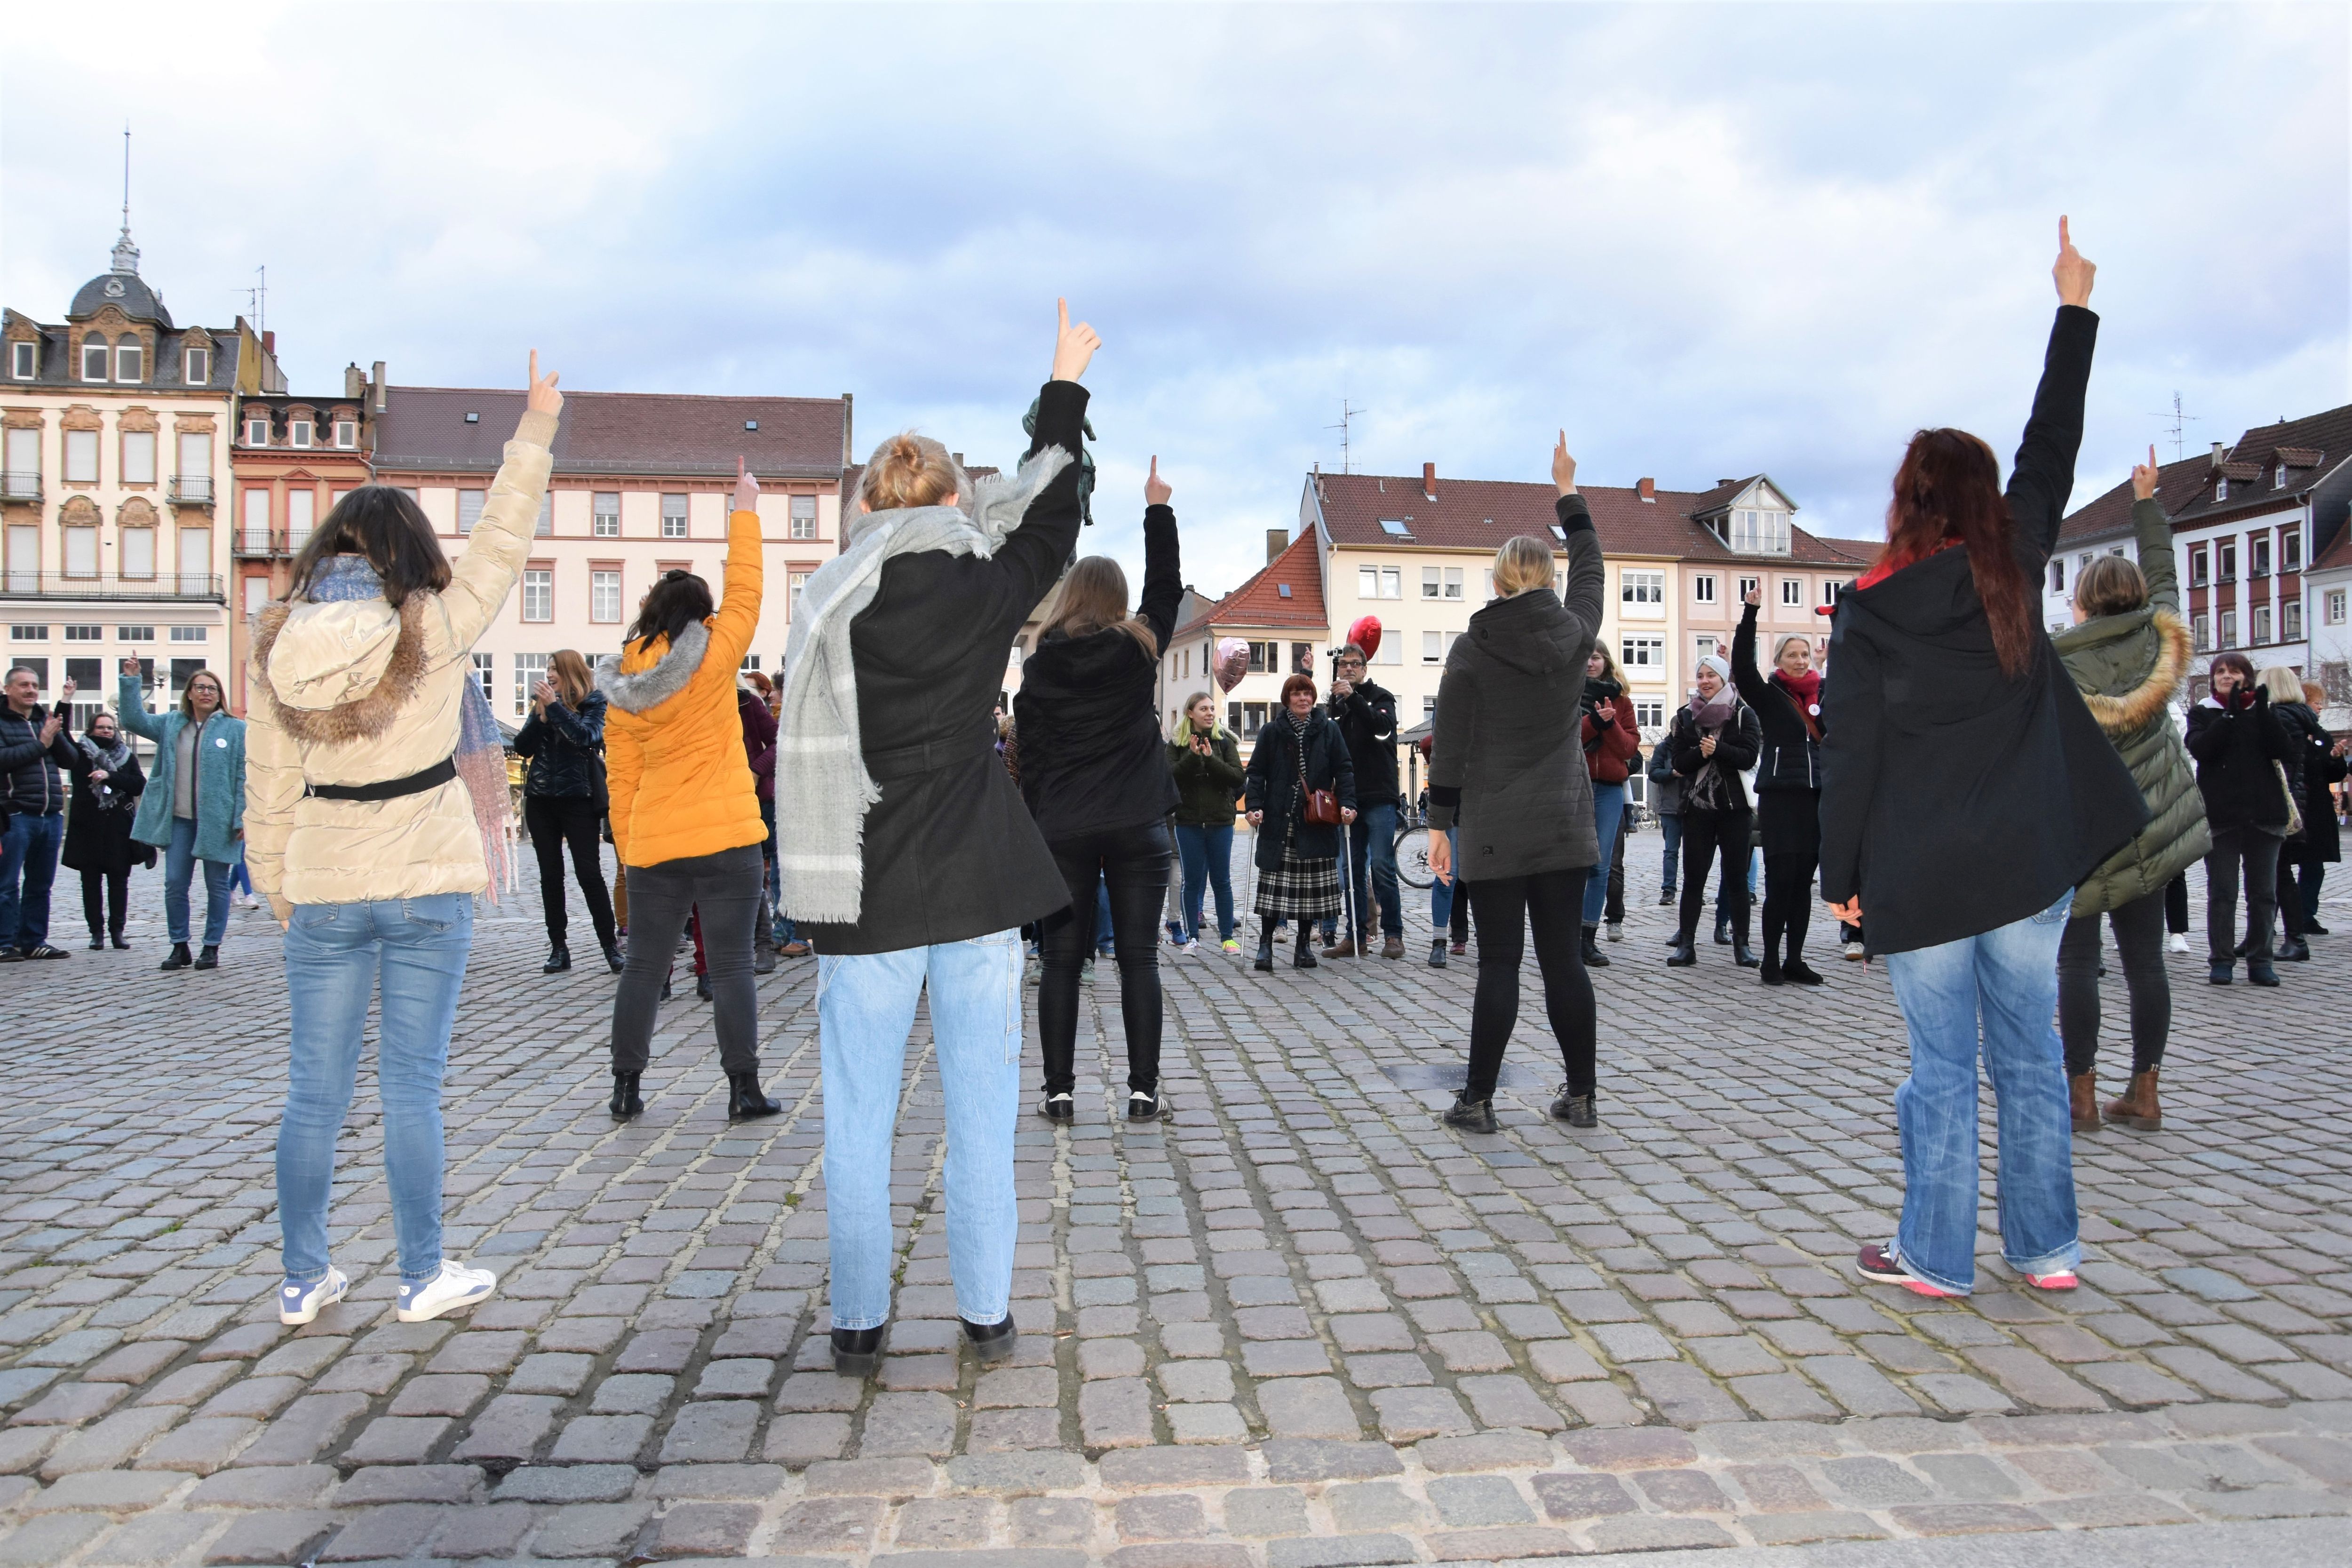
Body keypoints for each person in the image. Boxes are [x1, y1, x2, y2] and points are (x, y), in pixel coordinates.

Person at [776, 300, 1101, 1377]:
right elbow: (1055, 513)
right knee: (981, 1115)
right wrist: (1062, 383)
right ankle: (987, 1313)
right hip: (974, 884)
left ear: (867, 505)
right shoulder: (979, 585)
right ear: (952, 498)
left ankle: (859, 1326)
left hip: (859, 887)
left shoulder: (827, 602)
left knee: (859, 1121)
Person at [1821, 220, 2142, 1299]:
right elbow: (2051, 442)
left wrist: (1841, 884)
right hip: (2023, 865)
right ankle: (2046, 1251)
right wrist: (2073, 305)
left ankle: (1935, 1257)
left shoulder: (1866, 613)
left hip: (1919, 871)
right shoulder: (2018, 563)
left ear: (1906, 504)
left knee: (1942, 1074)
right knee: (2032, 1058)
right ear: (1983, 505)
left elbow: (1850, 758)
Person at [246, 351, 563, 1327]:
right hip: (425, 883)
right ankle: (421, 1273)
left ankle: (303, 1279)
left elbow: (269, 788)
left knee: (314, 1091)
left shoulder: (275, 644)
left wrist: (276, 886)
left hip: (327, 884)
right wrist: (536, 424)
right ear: (408, 551)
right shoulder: (434, 622)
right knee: (412, 1087)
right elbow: (503, 543)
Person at [1427, 435, 1605, 1131]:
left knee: (1499, 962)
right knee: (1565, 961)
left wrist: (1440, 826)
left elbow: (1451, 745)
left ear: (1498, 582)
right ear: (1550, 582)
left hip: (1497, 825)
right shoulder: (1577, 633)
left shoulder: (1473, 648)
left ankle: (1477, 1102)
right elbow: (1592, 564)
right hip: (1564, 821)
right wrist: (1567, 490)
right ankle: (1582, 1096)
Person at [599, 461, 779, 1122]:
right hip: (728, 836)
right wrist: (745, 508)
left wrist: (629, 843)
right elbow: (749, 591)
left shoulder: (622, 683)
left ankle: (626, 1086)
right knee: (731, 966)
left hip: (656, 841)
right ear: (702, 617)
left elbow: (621, 776)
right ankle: (743, 1089)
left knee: (644, 966)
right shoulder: (715, 655)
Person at [1017, 459, 1183, 1122]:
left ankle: (1059, 1091)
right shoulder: (1136, 649)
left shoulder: (1041, 665)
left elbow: (1030, 755)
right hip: (1138, 820)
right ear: (1116, 602)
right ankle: (1144, 1091)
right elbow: (1166, 592)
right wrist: (1158, 509)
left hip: (1065, 828)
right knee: (1139, 960)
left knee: (1061, 961)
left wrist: (1038, 821)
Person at [2051, 448, 2209, 1134]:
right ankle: (2145, 1090)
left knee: (2078, 962)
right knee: (2146, 962)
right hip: (2152, 825)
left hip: (2084, 829)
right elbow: (2168, 576)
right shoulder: (2161, 639)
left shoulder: (2059, 659)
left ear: (2082, 601)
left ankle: (2080, 1094)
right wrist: (2148, 505)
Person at [118, 667, 245, 971]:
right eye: (200, 687)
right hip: (179, 820)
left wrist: (242, 815)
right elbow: (133, 720)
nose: (206, 692)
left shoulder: (235, 729)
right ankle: (180, 945)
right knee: (175, 883)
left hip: (219, 820)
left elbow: (244, 775)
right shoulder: (171, 724)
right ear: (189, 693)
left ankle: (211, 947)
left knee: (216, 885)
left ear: (219, 696)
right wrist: (132, 682)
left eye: (212, 688)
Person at [1731, 590, 1825, 985]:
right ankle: (1770, 959)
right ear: (1779, 660)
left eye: (1805, 655)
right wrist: (1750, 612)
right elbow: (1741, 665)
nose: (1800, 660)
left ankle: (1795, 959)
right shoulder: (1769, 696)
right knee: (1781, 880)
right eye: (1792, 655)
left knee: (1804, 883)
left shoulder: (1824, 696)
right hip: (1779, 798)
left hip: (1815, 797)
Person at [2185, 652, 2294, 987]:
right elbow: (2201, 749)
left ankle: (2261, 960)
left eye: (2233, 671)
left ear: (2248, 677)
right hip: (2222, 817)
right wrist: (2229, 716)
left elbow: (2285, 750)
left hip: (2265, 815)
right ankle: (2221, 960)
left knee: (2263, 894)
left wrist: (2260, 711)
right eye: (2220, 671)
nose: (2226, 676)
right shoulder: (2203, 712)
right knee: (2223, 892)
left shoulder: (2266, 712)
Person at [514, 649, 620, 975]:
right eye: (547, 670)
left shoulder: (595, 701)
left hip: (579, 799)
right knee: (550, 876)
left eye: (553, 669)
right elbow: (523, 748)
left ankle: (610, 947)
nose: (548, 675)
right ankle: (558, 947)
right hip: (541, 799)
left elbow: (586, 737)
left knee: (589, 874)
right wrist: (540, 716)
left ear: (568, 671)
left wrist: (556, 709)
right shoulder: (545, 705)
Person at [1245, 674, 1358, 971]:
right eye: (1296, 694)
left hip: (1315, 820)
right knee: (1274, 890)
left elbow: (1344, 770)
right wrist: (1254, 806)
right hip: (1280, 820)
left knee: (1311, 893)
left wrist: (1348, 804)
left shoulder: (1329, 730)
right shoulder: (1271, 732)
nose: (1303, 699)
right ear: (1287, 699)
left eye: (1307, 694)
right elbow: (1256, 773)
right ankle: (1265, 945)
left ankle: (1304, 945)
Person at [1664, 657, 1761, 967]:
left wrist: (1717, 750)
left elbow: (1748, 757)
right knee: (1693, 878)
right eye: (1701, 675)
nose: (1705, 681)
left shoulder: (1744, 713)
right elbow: (1678, 762)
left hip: (1735, 809)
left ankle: (1741, 945)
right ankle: (1687, 944)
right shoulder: (1686, 716)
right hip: (1698, 809)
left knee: (1736, 879)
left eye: (1712, 675)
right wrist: (1700, 753)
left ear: (1723, 679)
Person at [1320, 644, 1404, 959]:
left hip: (1379, 795)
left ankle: (1393, 935)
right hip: (1349, 797)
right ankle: (1356, 936)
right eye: (1344, 665)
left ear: (1365, 668)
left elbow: (1382, 729)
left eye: (1355, 664)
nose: (1349, 669)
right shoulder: (1337, 706)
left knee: (1382, 866)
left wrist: (1353, 699)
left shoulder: (1381, 697)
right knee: (1351, 870)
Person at [0, 668, 78, 960]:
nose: (31, 690)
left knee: (40, 885)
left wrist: (53, 735)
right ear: (8, 689)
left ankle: (33, 941)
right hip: (15, 814)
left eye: (35, 685)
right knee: (6, 884)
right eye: (24, 685)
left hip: (51, 815)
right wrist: (41, 744)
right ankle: (3, 942)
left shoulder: (42, 721)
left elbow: (70, 760)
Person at [60, 706, 148, 950]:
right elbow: (63, 735)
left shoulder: (126, 755)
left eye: (110, 727)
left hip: (117, 828)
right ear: (91, 729)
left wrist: (110, 776)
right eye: (101, 727)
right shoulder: (80, 753)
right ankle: (96, 933)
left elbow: (138, 784)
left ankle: (117, 931)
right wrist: (66, 701)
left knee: (119, 882)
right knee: (90, 883)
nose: (106, 731)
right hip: (87, 827)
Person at [1168, 692, 1245, 954]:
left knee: (1222, 880)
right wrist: (1191, 757)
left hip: (1220, 821)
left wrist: (1212, 759)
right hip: (1188, 821)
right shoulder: (1177, 744)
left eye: (1212, 709)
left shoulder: (1224, 743)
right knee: (1191, 881)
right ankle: (1192, 937)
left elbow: (1237, 777)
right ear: (1191, 713)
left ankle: (1227, 937)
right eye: (1204, 709)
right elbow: (1169, 778)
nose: (1210, 713)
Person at [1578, 641, 1639, 966]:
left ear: (1606, 661)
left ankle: (1588, 938)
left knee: (1601, 865)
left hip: (1611, 790)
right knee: (1574, 863)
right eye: (1586, 657)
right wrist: (1594, 722)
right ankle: (1567, 934)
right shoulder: (1568, 695)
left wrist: (1610, 722)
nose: (1590, 663)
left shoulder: (1623, 701)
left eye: (1596, 657)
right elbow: (1569, 736)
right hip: (1576, 786)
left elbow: (1629, 748)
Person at [2262, 667, 2328, 963]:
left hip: (2277, 801)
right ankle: (2271, 936)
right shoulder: (2301, 717)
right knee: (2276, 872)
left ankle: (2293, 939)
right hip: (2291, 800)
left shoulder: (2281, 716)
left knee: (2277, 873)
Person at [2284, 680, 2348, 939]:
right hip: (2295, 806)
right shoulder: (2288, 729)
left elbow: (2331, 775)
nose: (2320, 708)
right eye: (2316, 702)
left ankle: (2306, 915)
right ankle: (2279, 915)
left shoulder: (2321, 735)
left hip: (2318, 810)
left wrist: (2335, 758)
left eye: (2321, 703)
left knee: (2315, 866)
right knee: (2282, 866)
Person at [1645, 720, 1682, 906]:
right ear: (1673, 729)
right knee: (1671, 851)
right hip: (1670, 807)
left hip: (1694, 807)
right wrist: (1672, 773)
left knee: (1697, 853)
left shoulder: (1695, 745)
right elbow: (1654, 774)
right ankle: (1668, 890)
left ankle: (1695, 891)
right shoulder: (1663, 748)